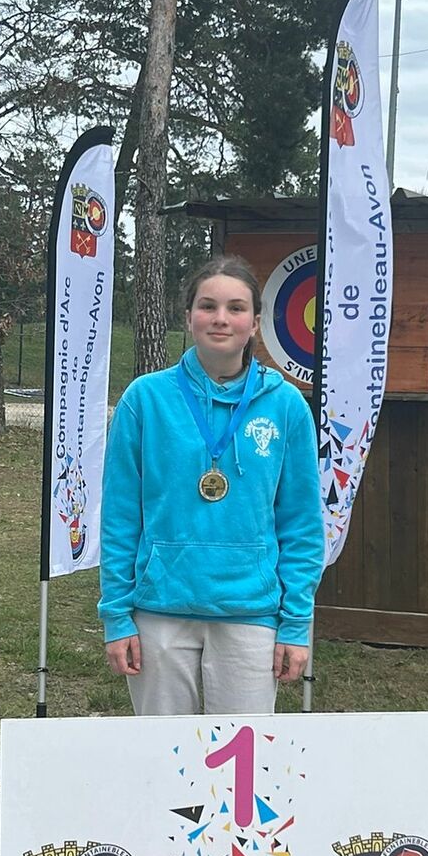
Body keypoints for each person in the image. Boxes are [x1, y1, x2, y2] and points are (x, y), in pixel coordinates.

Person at [99, 255, 325, 715]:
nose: (221, 318)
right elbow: (120, 517)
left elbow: (301, 523)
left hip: (251, 613)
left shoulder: (285, 406)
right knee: (165, 751)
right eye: (208, 306)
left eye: (236, 308)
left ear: (255, 323)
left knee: (241, 755)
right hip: (160, 611)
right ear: (188, 317)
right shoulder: (145, 399)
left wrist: (296, 622)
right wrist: (117, 615)